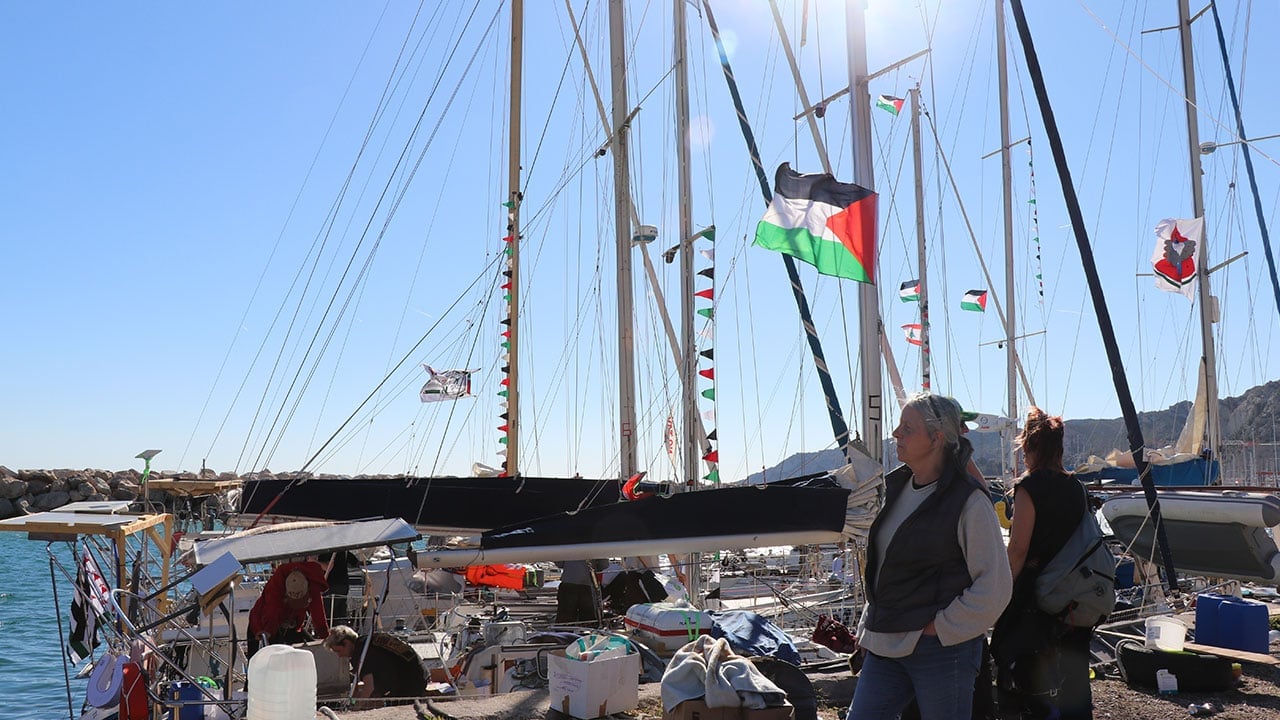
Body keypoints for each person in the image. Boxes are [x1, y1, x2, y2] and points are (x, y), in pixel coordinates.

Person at [846, 392, 1012, 720]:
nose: (896, 433)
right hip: (885, 645)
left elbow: (995, 586)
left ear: (936, 439)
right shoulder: (894, 489)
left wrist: (940, 628)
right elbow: (885, 571)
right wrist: (868, 627)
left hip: (941, 651)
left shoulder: (968, 501)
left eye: (907, 428)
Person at [992, 408, 1093, 719]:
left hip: (1037, 596)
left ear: (1030, 446)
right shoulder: (1076, 487)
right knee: (1074, 674)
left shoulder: (1030, 487)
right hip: (1075, 594)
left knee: (1027, 674)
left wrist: (1000, 592)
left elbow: (1018, 549)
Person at [246, 560, 330, 657]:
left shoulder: (313, 584)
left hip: (291, 623)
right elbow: (271, 612)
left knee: (311, 651)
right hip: (264, 623)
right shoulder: (275, 587)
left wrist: (326, 638)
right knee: (263, 657)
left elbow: (318, 615)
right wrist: (265, 631)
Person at [325, 625, 427, 699]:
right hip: (421, 674)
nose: (339, 656)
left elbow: (369, 687)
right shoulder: (368, 641)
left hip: (411, 683)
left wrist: (357, 708)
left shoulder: (361, 652)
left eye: (339, 651)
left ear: (347, 643)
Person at [555, 559, 605, 624]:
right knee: (588, 618)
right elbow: (604, 564)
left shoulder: (567, 551)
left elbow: (559, 563)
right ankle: (587, 628)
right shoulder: (596, 551)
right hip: (588, 583)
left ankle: (563, 629)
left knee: (565, 616)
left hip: (568, 582)